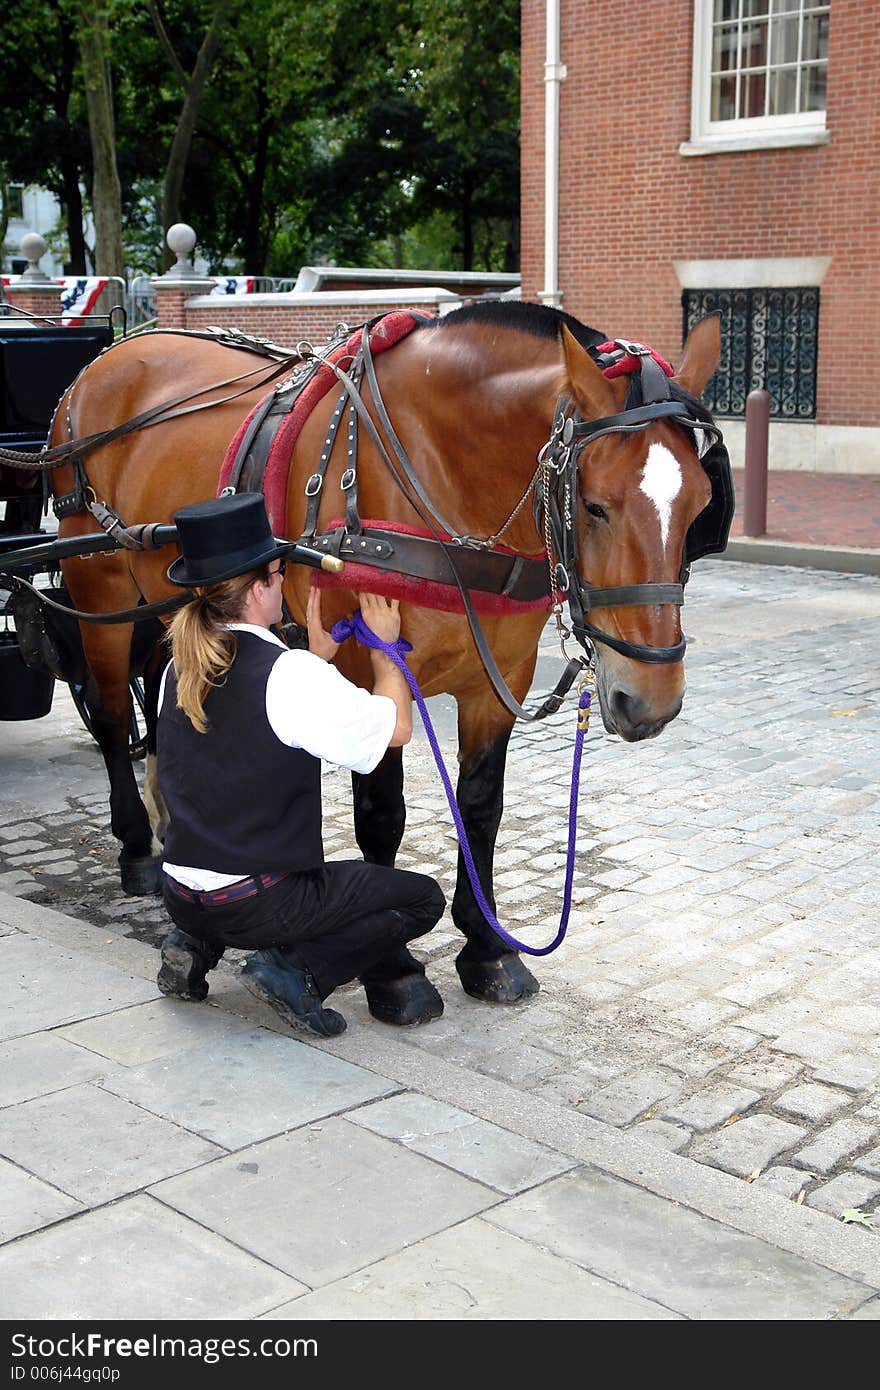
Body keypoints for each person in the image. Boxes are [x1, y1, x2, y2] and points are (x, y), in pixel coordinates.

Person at [155, 492, 446, 1037]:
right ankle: (293, 971)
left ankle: (190, 946)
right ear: (263, 585)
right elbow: (394, 730)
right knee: (420, 899)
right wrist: (387, 653)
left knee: (223, 862)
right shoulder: (287, 675)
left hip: (180, 894)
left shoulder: (180, 665)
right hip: (254, 905)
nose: (283, 580)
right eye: (278, 571)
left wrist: (314, 660)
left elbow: (250, 724)